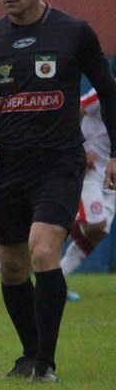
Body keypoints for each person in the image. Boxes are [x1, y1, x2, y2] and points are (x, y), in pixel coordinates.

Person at [0, 0, 116, 383]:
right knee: (11, 266)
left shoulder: (74, 32)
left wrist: (115, 152)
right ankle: (28, 355)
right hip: (10, 166)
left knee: (43, 250)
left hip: (59, 163)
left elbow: (109, 90)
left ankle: (46, 362)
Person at [59, 88, 115, 295]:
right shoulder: (107, 88)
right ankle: (44, 233)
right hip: (90, 171)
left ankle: (58, 279)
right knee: (95, 224)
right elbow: (71, 110)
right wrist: (79, 148)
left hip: (112, 174)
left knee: (98, 233)